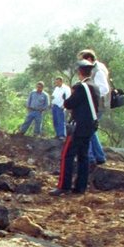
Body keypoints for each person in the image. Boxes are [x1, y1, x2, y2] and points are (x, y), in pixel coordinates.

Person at [53, 60, 100, 196]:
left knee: (67, 155)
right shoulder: (95, 87)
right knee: (83, 156)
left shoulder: (81, 87)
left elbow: (69, 103)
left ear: (79, 72)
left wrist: (66, 99)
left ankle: (64, 186)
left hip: (78, 127)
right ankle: (80, 187)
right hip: (89, 126)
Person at [79, 49, 109, 165]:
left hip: (97, 105)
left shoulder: (98, 70)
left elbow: (104, 88)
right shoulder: (96, 68)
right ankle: (99, 157)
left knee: (88, 129)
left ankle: (91, 157)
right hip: (94, 105)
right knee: (91, 130)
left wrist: (90, 95)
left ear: (90, 59)